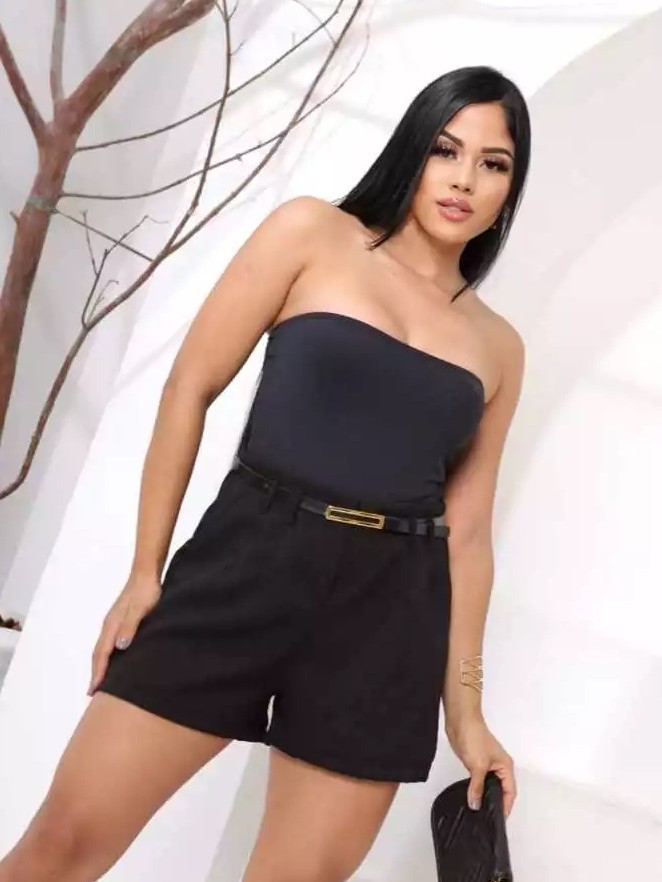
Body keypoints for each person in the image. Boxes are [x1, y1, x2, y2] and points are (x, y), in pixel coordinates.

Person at [0, 64, 530, 882]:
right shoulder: (312, 234)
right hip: (247, 560)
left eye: (493, 164)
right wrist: (145, 572)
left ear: (509, 188)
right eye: (445, 149)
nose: (464, 179)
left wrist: (467, 712)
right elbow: (191, 385)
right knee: (61, 847)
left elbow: (468, 535)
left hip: (389, 616)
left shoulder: (499, 347)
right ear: (413, 149)